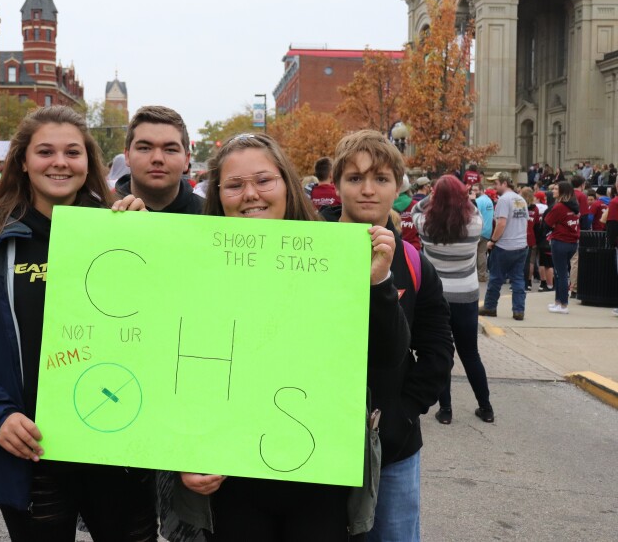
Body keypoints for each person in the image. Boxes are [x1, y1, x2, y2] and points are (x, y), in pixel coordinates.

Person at [0, 106, 158, 541]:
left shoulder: (125, 232)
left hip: (116, 446)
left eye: (73, 152)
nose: (59, 162)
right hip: (33, 449)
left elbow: (164, 329)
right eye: (45, 151)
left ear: (88, 162)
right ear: (23, 161)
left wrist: (149, 247)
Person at [176, 132, 409, 540]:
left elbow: (389, 358)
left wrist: (379, 284)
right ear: (218, 194)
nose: (250, 194)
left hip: (318, 473)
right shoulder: (194, 261)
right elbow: (171, 366)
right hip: (230, 473)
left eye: (264, 180)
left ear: (287, 183)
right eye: (234, 184)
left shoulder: (331, 253)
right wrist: (182, 452)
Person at [320, 130, 453, 542]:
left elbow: (436, 347)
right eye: (355, 178)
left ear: (397, 187)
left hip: (392, 450)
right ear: (337, 183)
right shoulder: (305, 247)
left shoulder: (412, 261)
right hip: (312, 439)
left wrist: (405, 410)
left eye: (380, 179)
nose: (367, 190)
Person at [413, 176, 493, 423]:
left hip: (436, 298)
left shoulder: (425, 225)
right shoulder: (475, 225)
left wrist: (434, 196)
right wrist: (459, 197)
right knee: (470, 354)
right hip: (466, 297)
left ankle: (446, 410)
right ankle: (486, 407)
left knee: (442, 353)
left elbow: (416, 208)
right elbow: (474, 208)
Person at [115, 106, 203, 214]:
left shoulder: (214, 214)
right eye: (144, 148)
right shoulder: (99, 211)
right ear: (127, 156)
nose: (157, 158)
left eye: (170, 150)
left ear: (186, 160)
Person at [480, 172, 529, 321]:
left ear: (504, 183)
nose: (494, 187)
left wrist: (492, 241)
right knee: (518, 279)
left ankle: (490, 306)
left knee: (495, 279)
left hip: (505, 246)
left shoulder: (504, 200)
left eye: (496, 183)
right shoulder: (521, 199)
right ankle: (518, 311)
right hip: (521, 245)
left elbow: (501, 223)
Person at [543, 181, 580, 314]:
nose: (553, 190)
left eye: (556, 189)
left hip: (560, 242)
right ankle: (558, 302)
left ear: (563, 192)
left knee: (561, 274)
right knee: (560, 273)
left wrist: (554, 227)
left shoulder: (559, 207)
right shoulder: (575, 206)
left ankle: (563, 305)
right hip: (572, 243)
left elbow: (547, 222)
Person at [568, 174, 591, 298]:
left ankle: (567, 285)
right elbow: (585, 216)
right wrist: (586, 231)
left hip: (565, 229)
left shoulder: (568, 194)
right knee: (575, 260)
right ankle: (574, 287)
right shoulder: (582, 196)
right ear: (582, 185)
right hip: (577, 230)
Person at [470, 182, 494, 282]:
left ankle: (475, 275)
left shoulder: (478, 201)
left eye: (476, 190)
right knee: (482, 254)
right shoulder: (489, 200)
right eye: (473, 190)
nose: (474, 192)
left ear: (481, 190)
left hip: (478, 230)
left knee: (475, 254)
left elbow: (472, 214)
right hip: (487, 230)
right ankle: (482, 275)